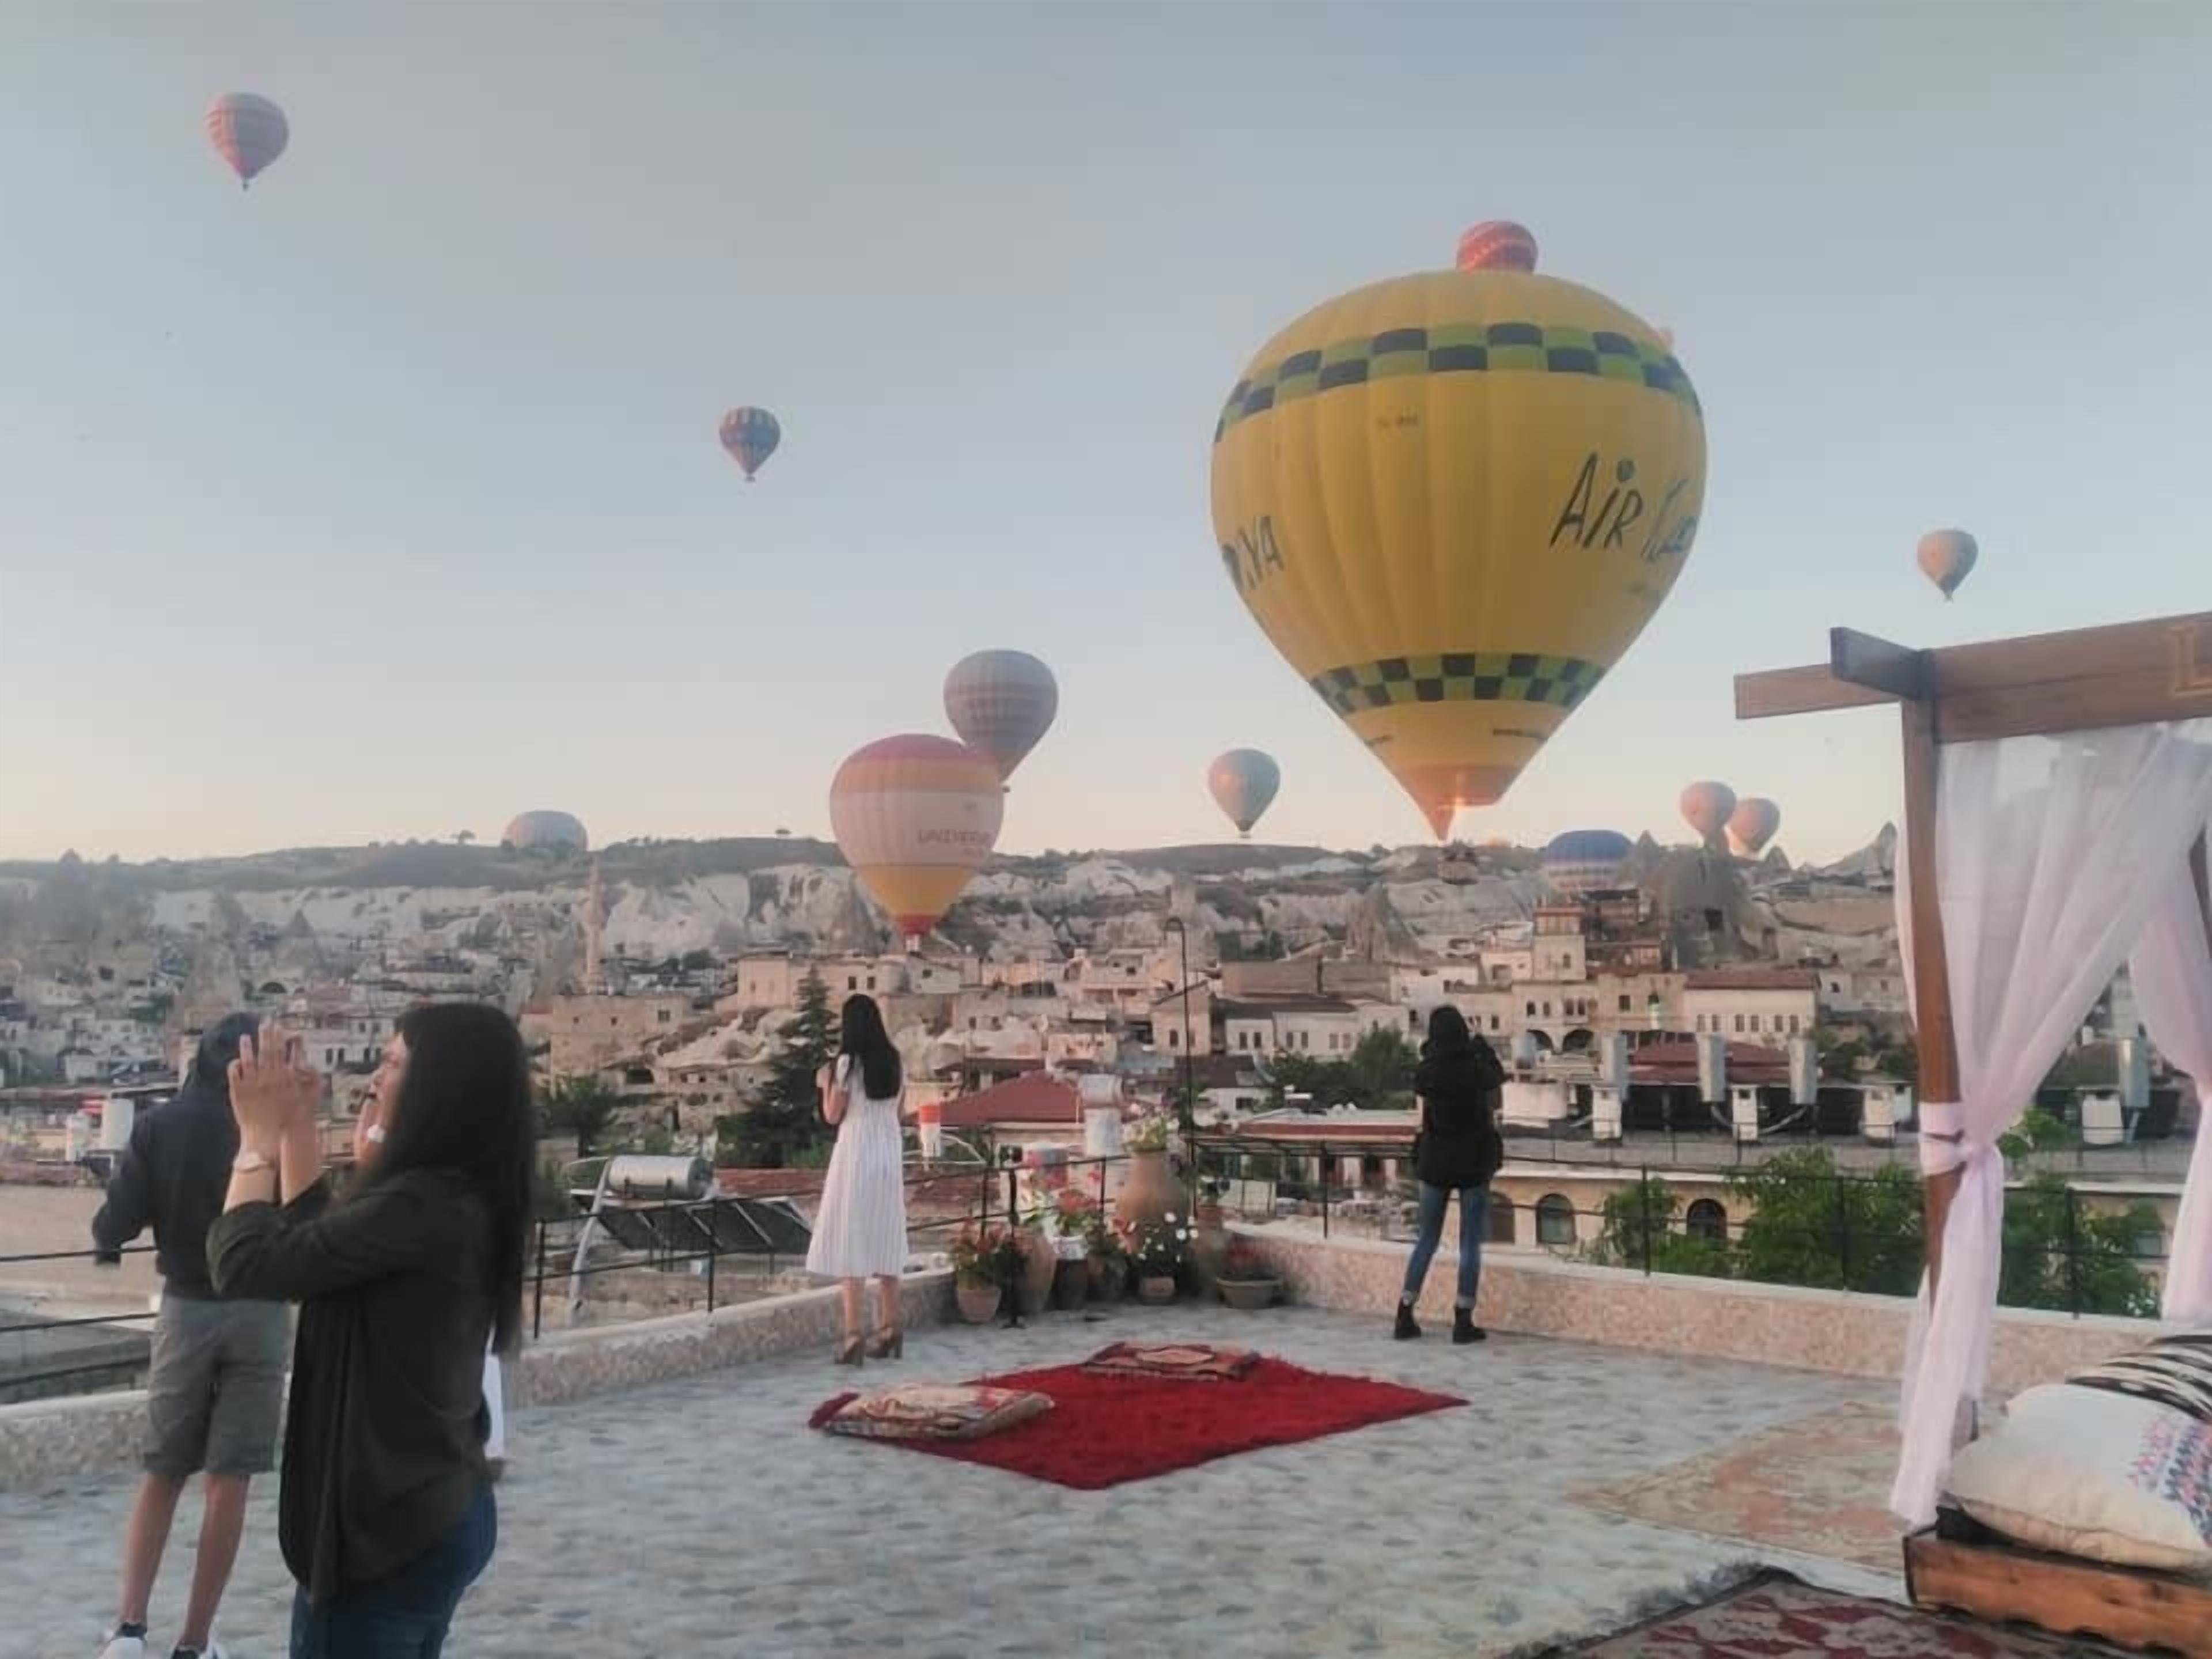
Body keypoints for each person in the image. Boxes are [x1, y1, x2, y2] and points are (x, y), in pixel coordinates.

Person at [206, 1003, 534, 1658]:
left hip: (386, 1533)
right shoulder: (453, 1196)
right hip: (439, 1510)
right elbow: (320, 1250)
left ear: (442, 1087)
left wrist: (255, 1143)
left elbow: (244, 1264)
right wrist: (300, 1126)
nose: (375, 1079)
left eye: (393, 1063)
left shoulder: (423, 1205)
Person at [91, 1014, 287, 1659]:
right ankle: (196, 1642)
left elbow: (121, 1216)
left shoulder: (160, 1127)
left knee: (164, 1471)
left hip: (187, 1311)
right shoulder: (280, 1128)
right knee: (229, 1481)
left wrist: (106, 1242)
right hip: (260, 1312)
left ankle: (129, 1628)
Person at [806, 994, 910, 1364]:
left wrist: (825, 1085)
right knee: (886, 1236)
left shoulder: (848, 1064)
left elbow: (834, 1115)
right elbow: (900, 1109)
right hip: (888, 1149)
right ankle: (891, 1327)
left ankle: (853, 1336)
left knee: (852, 1237)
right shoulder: (896, 1060)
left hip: (857, 1151)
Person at [1394, 1005, 1506, 1345]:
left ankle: (1405, 1311)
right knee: (1469, 1242)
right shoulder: (1474, 1067)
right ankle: (1463, 1318)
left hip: (1435, 1163)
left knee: (1426, 1239)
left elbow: (1423, 1074)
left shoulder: (1428, 1071)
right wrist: (1480, 1043)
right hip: (1473, 1163)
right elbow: (1497, 1076)